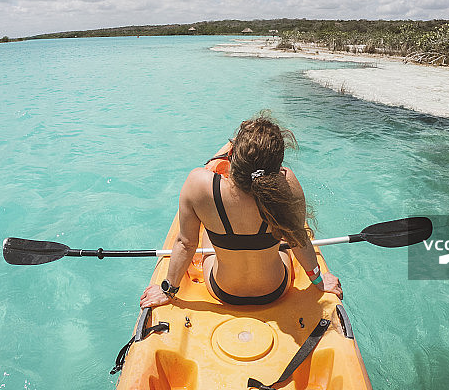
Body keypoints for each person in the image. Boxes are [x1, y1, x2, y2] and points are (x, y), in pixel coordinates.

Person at [140, 113, 343, 308]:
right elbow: (299, 239)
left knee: (208, 233)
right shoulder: (287, 182)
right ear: (278, 164)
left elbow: (185, 244)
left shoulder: (198, 184)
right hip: (274, 289)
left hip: (223, 290)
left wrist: (167, 290)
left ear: (232, 157)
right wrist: (318, 280)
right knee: (284, 234)